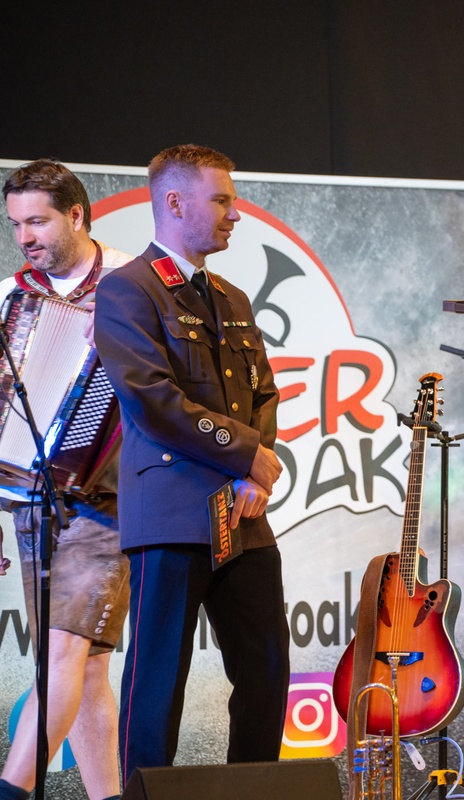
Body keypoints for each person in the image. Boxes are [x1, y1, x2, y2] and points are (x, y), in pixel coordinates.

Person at [92, 144, 289, 783]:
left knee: (266, 670)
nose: (235, 213)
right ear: (175, 202)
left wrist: (252, 472)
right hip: (173, 515)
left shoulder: (232, 297)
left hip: (244, 518)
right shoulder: (128, 289)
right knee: (156, 688)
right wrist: (247, 456)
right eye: (222, 200)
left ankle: (252, 794)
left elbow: (263, 393)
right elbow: (153, 400)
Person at [0, 159, 130, 800]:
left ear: (77, 215)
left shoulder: (132, 283)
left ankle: (11, 789)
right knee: (85, 664)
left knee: (62, 654)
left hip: (110, 496)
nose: (25, 237)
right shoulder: (10, 295)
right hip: (30, 497)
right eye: (15, 224)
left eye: (38, 221)